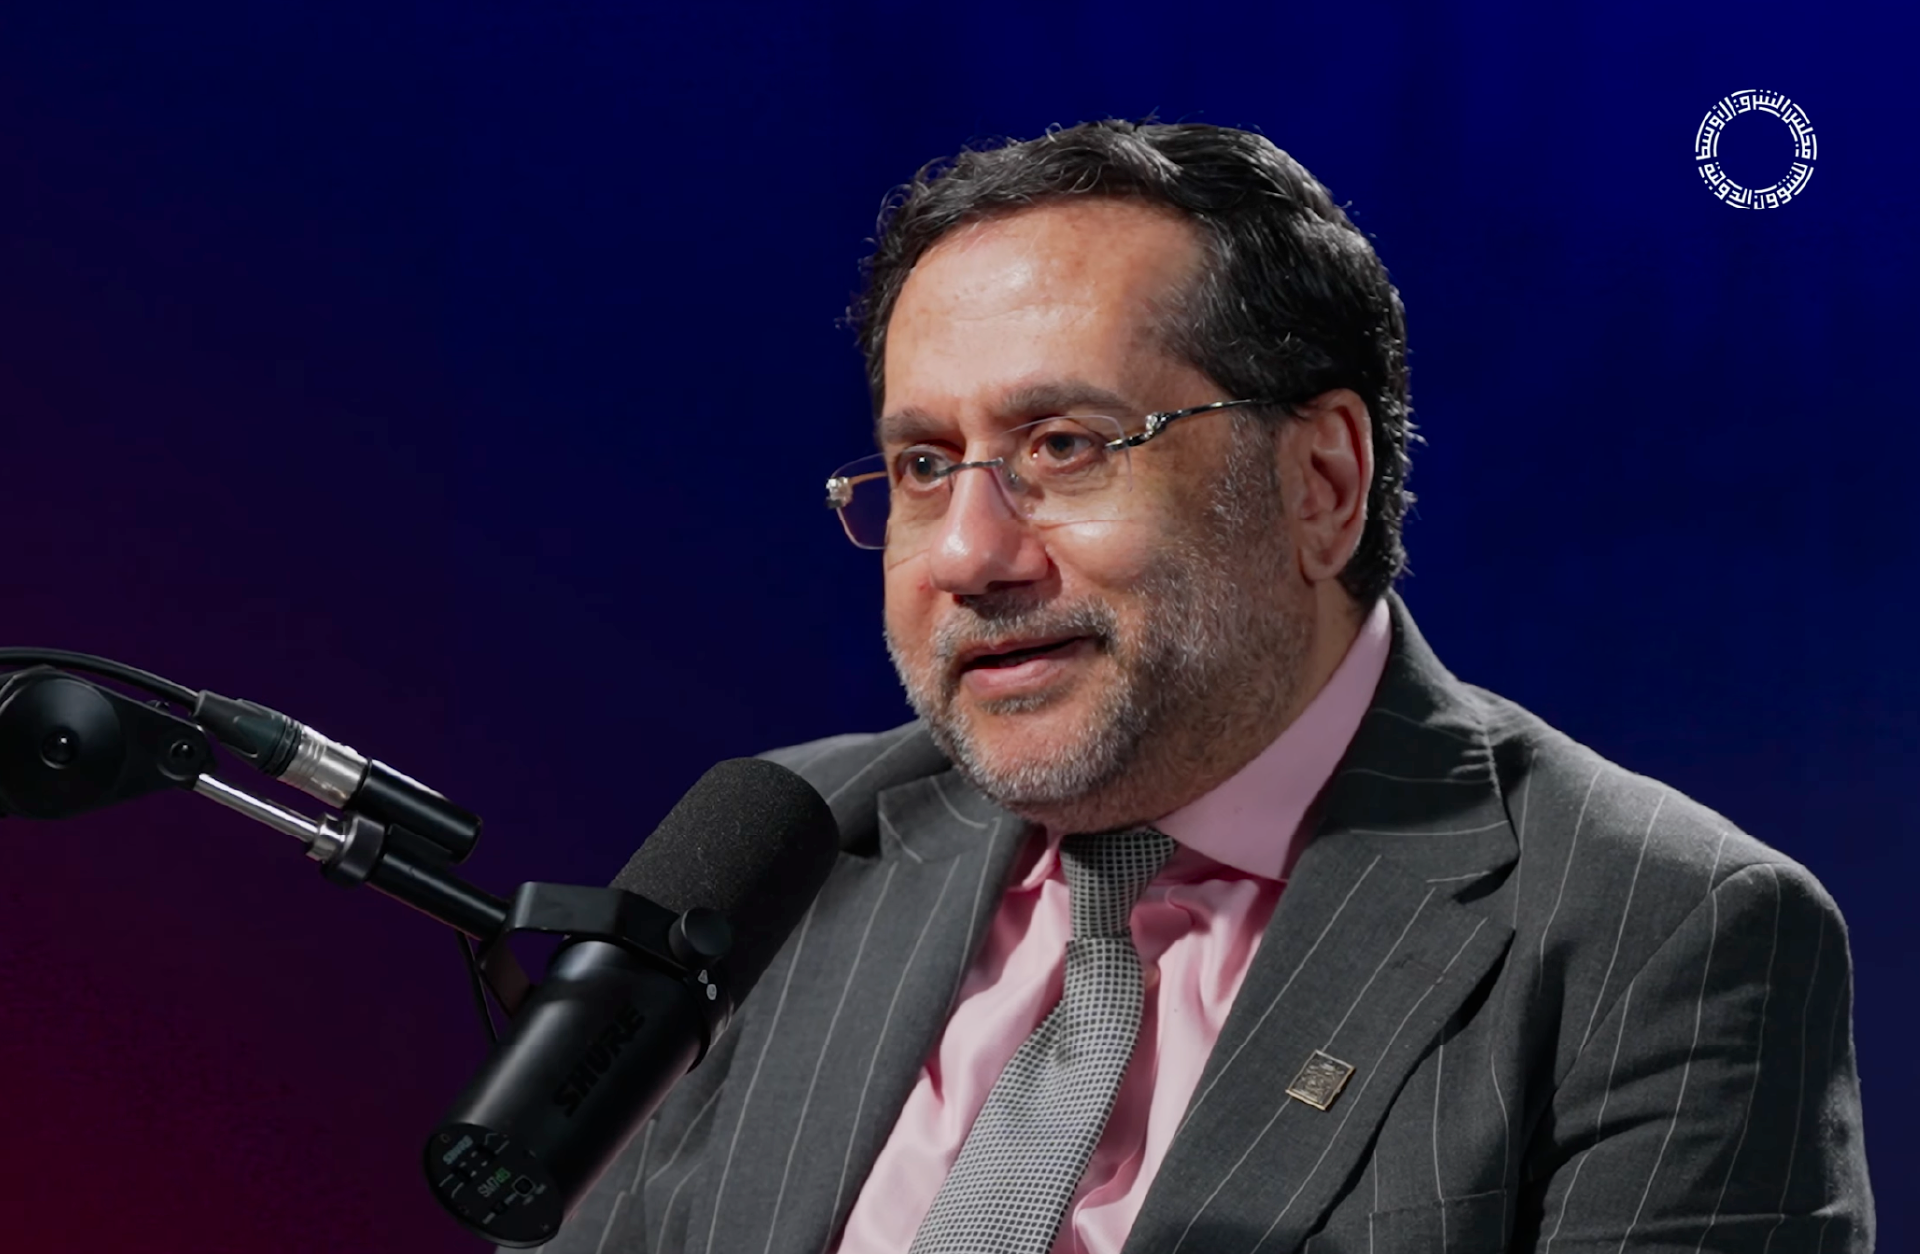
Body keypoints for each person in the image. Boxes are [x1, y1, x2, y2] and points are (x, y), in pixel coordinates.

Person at [537, 121, 1872, 1253]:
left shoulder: (1662, 935)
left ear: (1321, 484)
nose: (967, 555)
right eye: (925, 467)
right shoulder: (777, 854)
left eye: (1064, 445)